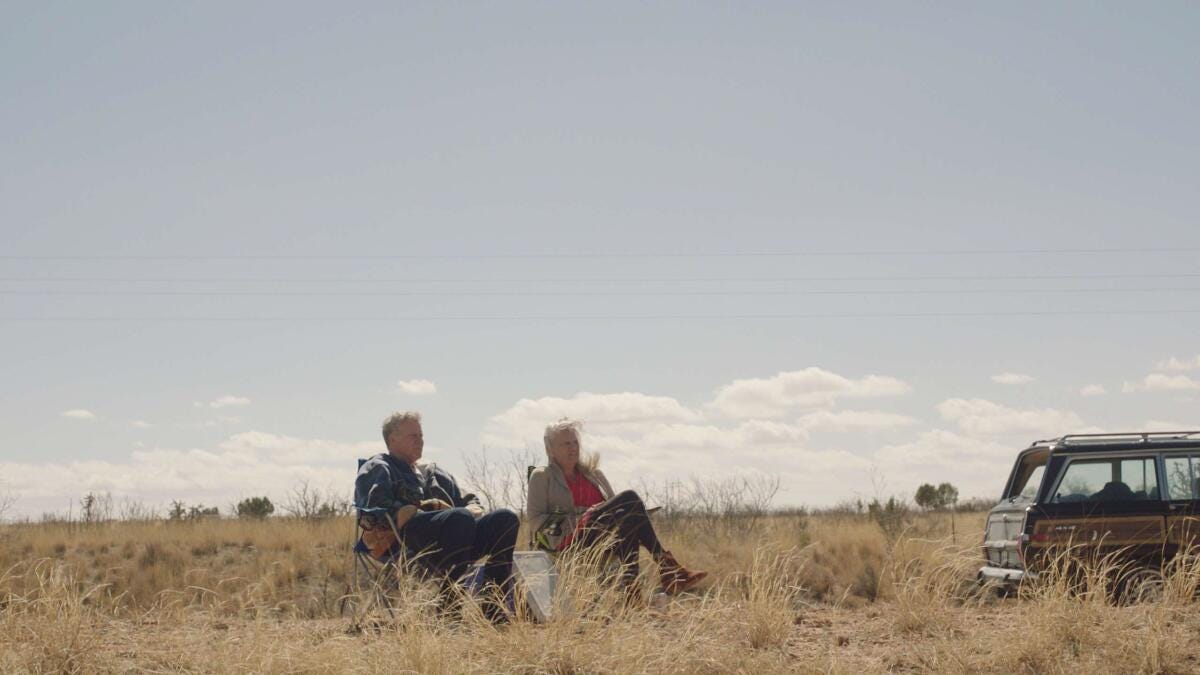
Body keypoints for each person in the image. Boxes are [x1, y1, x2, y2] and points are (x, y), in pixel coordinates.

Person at [355, 411, 519, 619]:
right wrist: (426, 505)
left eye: (421, 436)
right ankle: (450, 606)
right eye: (413, 436)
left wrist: (467, 510)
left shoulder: (431, 471)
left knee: (505, 519)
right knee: (459, 518)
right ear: (392, 439)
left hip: (457, 536)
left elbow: (470, 502)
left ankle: (493, 606)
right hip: (407, 541)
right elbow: (374, 511)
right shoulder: (379, 467)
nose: (420, 441)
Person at [526, 419, 706, 597]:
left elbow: (617, 509)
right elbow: (535, 521)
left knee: (628, 519)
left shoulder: (594, 474)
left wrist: (597, 514)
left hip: (601, 536)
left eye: (575, 442)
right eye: (566, 443)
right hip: (568, 541)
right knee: (629, 497)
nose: (573, 448)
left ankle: (632, 591)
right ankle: (667, 569)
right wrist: (579, 518)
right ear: (550, 449)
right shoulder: (542, 476)